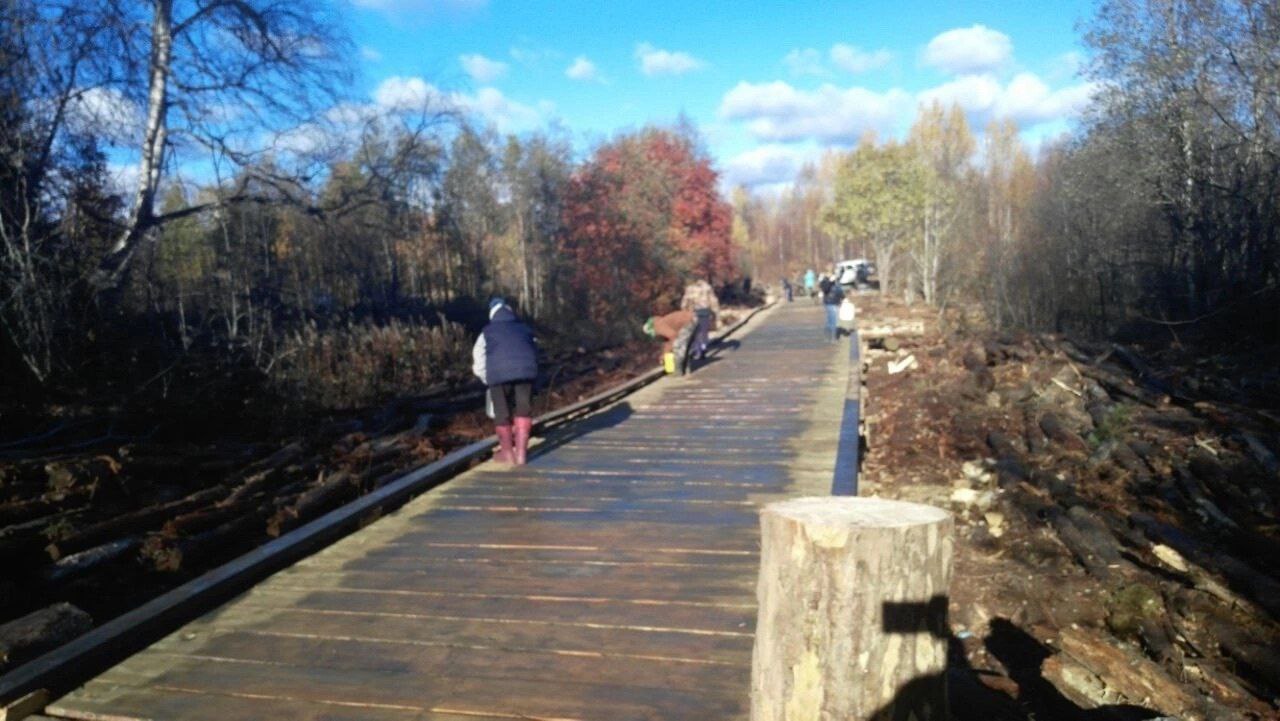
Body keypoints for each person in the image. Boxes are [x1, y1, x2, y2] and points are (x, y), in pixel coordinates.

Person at [472, 298, 538, 465]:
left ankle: (508, 454)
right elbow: (534, 350)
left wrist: (486, 378)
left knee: (502, 413)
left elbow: (478, 358)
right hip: (526, 372)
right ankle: (522, 454)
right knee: (524, 409)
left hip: (498, 375)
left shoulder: (486, 332)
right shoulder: (524, 329)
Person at [644, 309, 696, 374]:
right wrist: (665, 353)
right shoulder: (662, 321)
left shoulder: (659, 327)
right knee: (685, 345)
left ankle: (679, 371)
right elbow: (668, 341)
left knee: (678, 347)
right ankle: (685, 368)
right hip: (693, 318)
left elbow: (673, 336)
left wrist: (666, 354)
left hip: (689, 322)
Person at [680, 279, 720, 360]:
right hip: (705, 311)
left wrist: (683, 311)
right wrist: (715, 312)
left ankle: (696, 350)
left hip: (693, 312)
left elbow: (685, 300)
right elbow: (713, 300)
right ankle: (703, 348)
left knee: (695, 332)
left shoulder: (690, 288)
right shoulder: (707, 287)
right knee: (704, 332)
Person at [819, 274, 844, 342]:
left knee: (830, 321)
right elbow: (841, 294)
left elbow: (841, 293)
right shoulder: (828, 284)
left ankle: (828, 337)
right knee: (833, 321)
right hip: (832, 303)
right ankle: (833, 338)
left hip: (830, 303)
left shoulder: (832, 285)